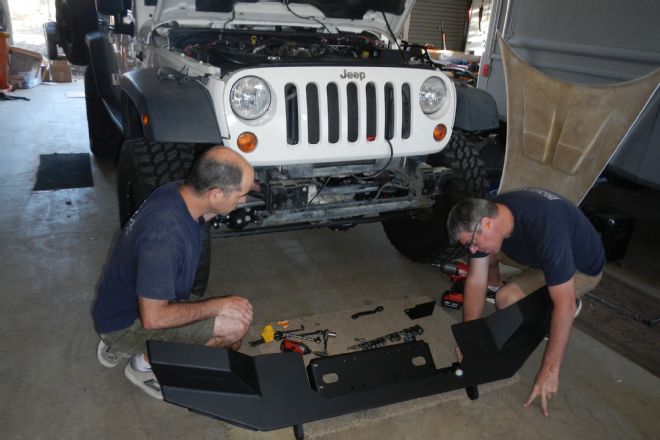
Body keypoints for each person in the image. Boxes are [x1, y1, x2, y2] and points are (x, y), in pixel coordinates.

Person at [92, 146, 255, 399]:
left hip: (119, 305)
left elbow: (208, 212)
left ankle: (121, 344)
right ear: (214, 193)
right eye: (241, 194)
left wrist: (230, 201)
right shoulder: (164, 238)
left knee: (229, 318)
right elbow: (154, 319)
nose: (244, 200)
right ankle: (142, 364)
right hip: (129, 322)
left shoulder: (179, 192)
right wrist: (218, 306)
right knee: (233, 328)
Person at [446, 187, 605, 417]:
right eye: (467, 246)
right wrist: (471, 339)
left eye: (471, 242)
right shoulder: (491, 212)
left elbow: (564, 305)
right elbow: (475, 280)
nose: (471, 249)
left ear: (488, 224)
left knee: (507, 300)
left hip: (581, 268)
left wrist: (550, 370)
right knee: (485, 256)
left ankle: (564, 298)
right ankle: (528, 280)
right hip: (537, 254)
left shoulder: (546, 225)